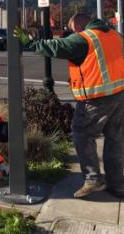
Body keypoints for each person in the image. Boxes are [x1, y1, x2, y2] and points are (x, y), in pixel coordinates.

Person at [14, 13, 124, 198]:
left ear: (79, 26)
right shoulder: (114, 35)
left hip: (96, 99)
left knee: (82, 134)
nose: (71, 33)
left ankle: (93, 179)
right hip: (120, 94)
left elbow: (56, 46)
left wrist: (29, 43)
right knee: (115, 140)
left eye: (72, 29)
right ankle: (118, 185)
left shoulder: (84, 39)